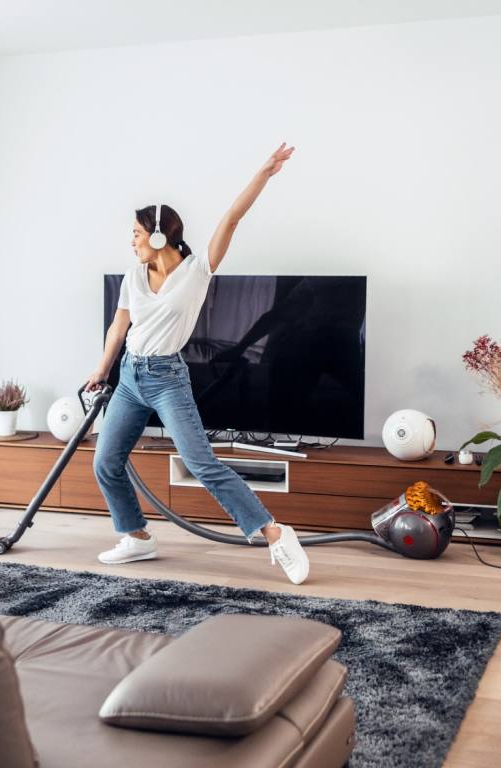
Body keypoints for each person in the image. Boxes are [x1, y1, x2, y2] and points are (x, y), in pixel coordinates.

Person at [84, 143, 310, 585]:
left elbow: (231, 219)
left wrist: (263, 172)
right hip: (131, 375)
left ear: (156, 236)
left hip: (168, 378)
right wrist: (101, 368)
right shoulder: (133, 275)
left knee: (201, 463)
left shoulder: (197, 270)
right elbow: (119, 326)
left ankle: (276, 533)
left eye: (134, 233)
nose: (130, 240)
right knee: (106, 461)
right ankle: (136, 536)